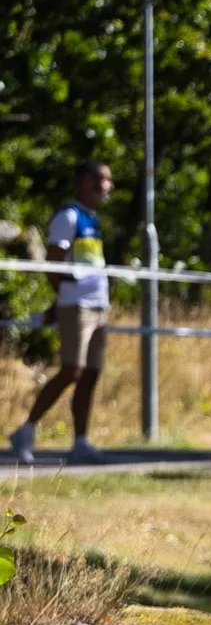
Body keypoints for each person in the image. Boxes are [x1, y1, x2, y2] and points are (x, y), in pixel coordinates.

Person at [13, 158, 115, 465]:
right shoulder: (68, 217)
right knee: (72, 369)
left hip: (99, 305)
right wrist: (60, 301)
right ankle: (26, 429)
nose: (108, 187)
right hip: (76, 305)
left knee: (90, 374)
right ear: (86, 182)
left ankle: (81, 442)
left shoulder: (92, 219)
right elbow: (53, 263)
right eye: (103, 180)